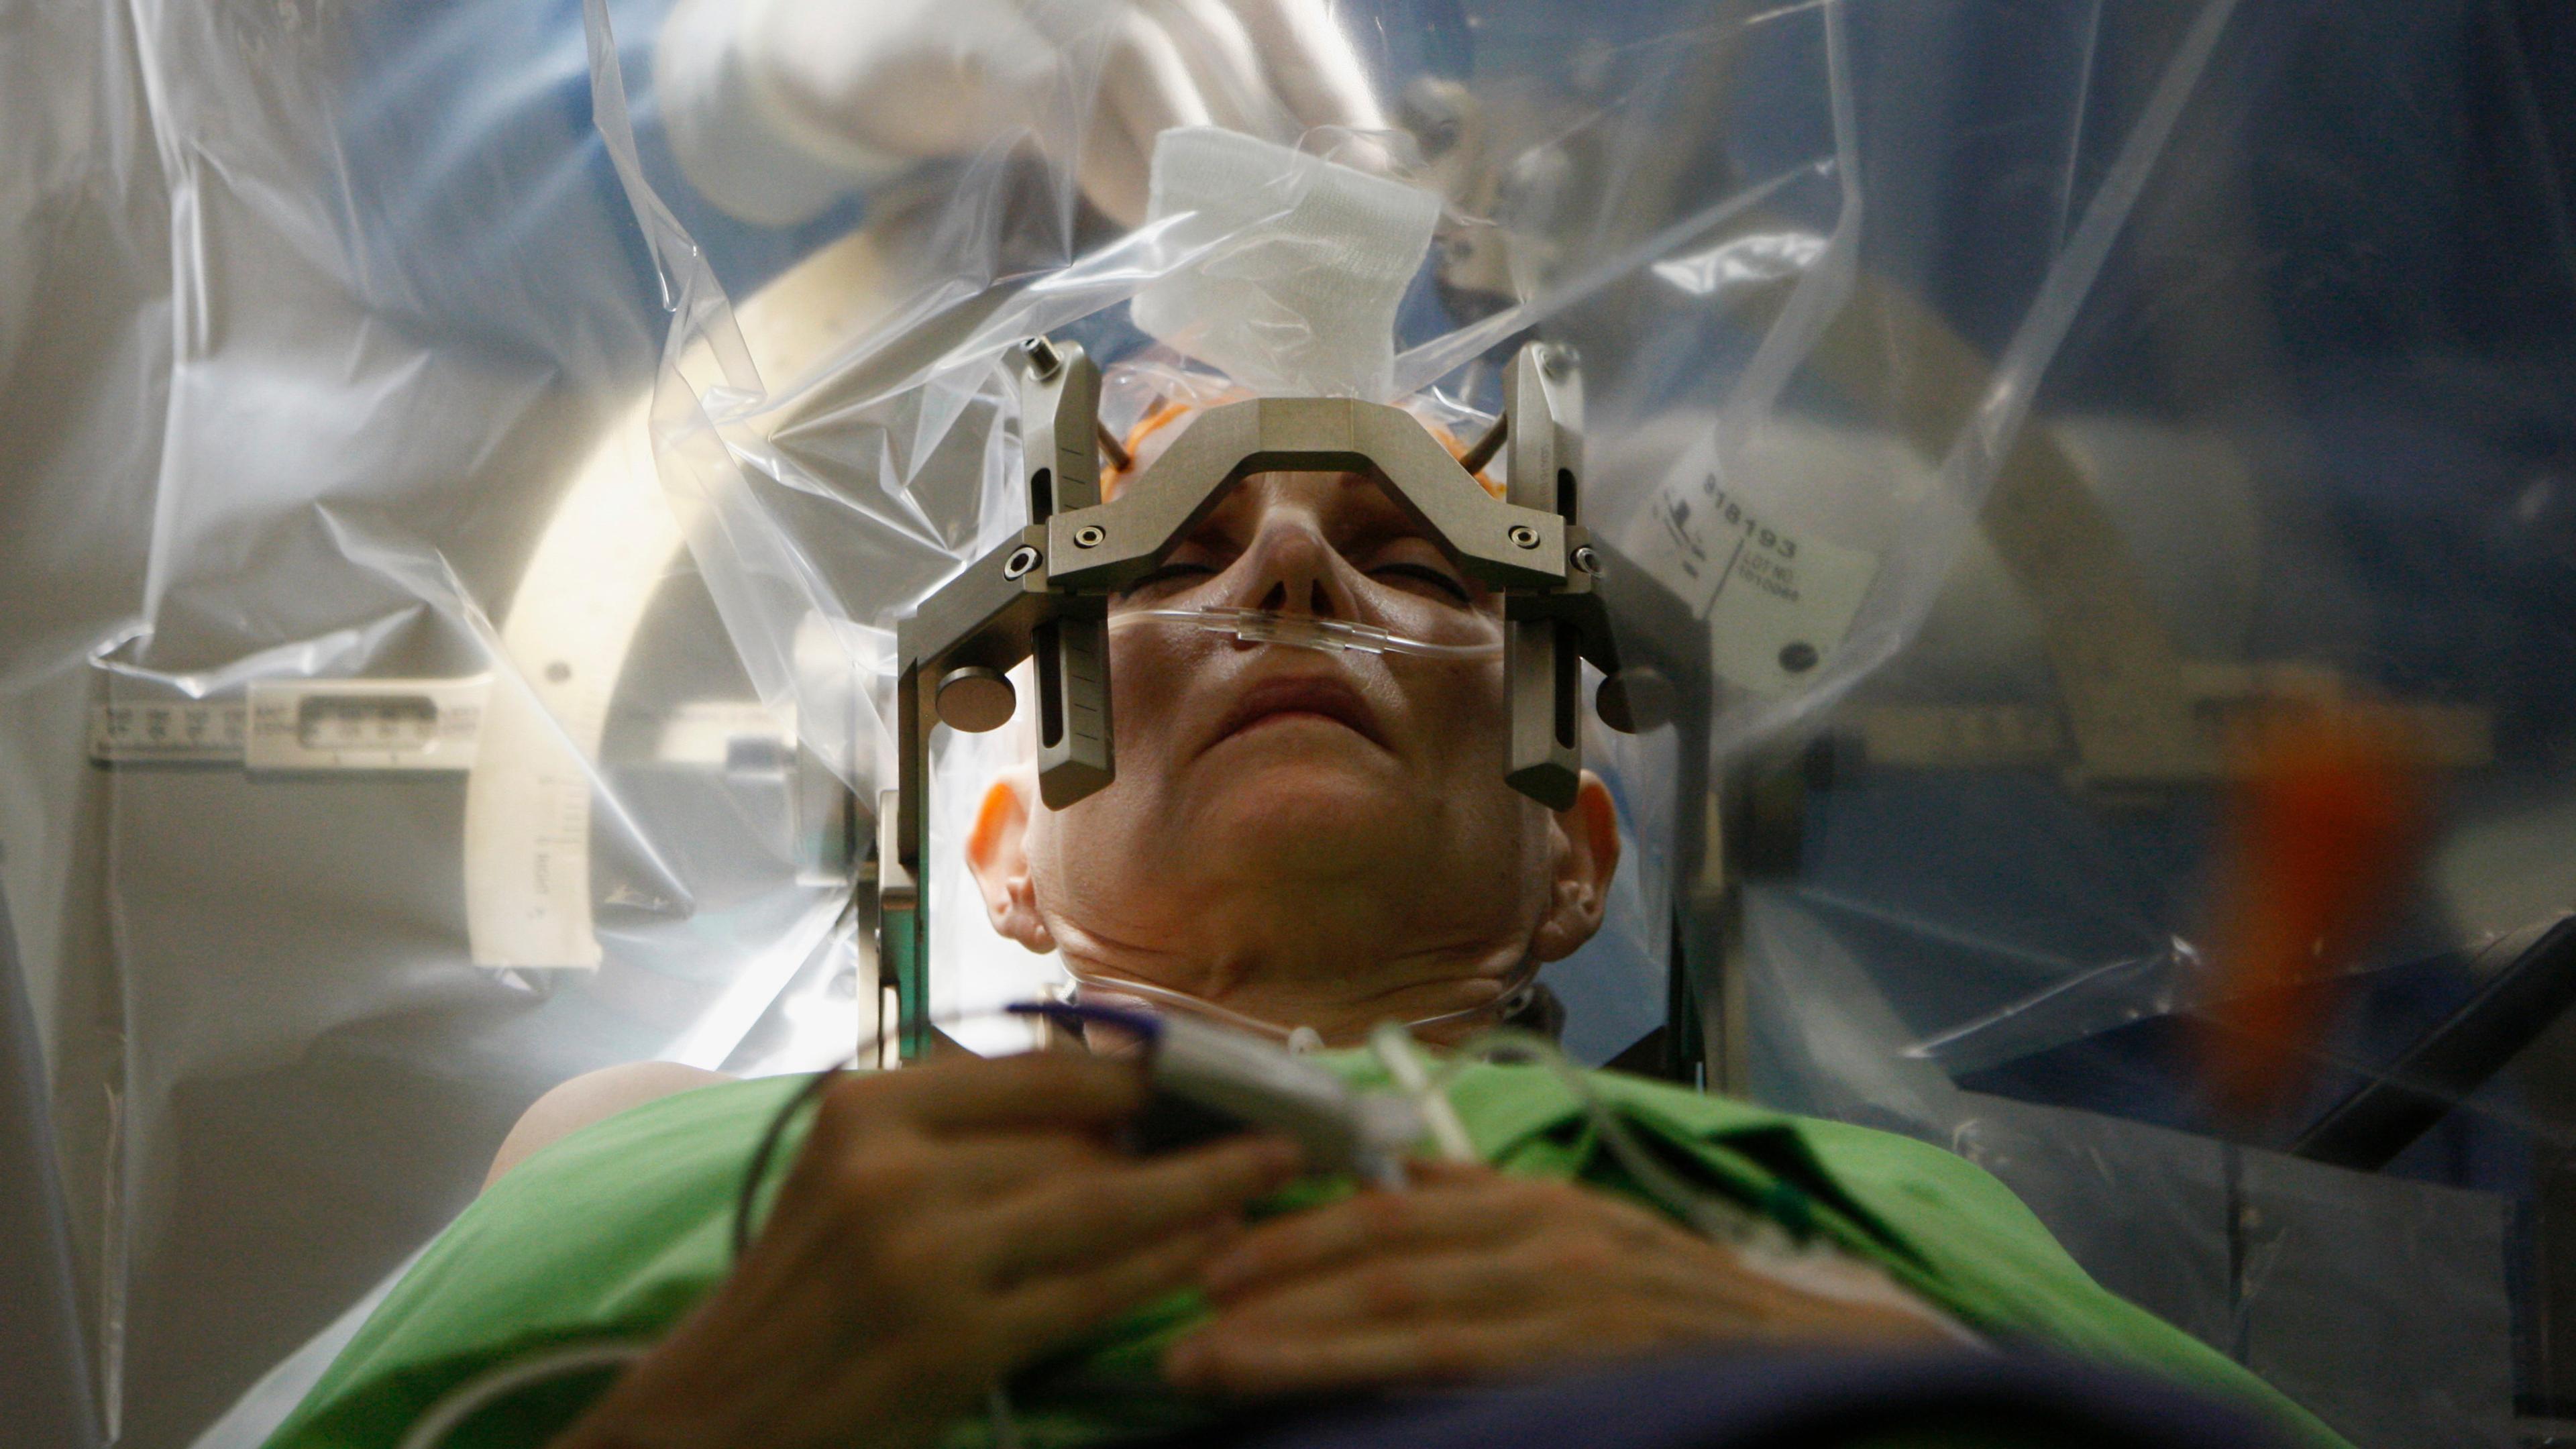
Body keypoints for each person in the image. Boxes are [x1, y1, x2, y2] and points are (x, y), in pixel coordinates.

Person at [259, 429, 2351, 1449]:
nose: (1278, 565)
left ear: (1578, 866)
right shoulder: (652, 1147)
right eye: (1172, 549)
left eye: (1409, 559)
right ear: (1003, 864)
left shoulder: (1858, 1221)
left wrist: (1887, 1390)